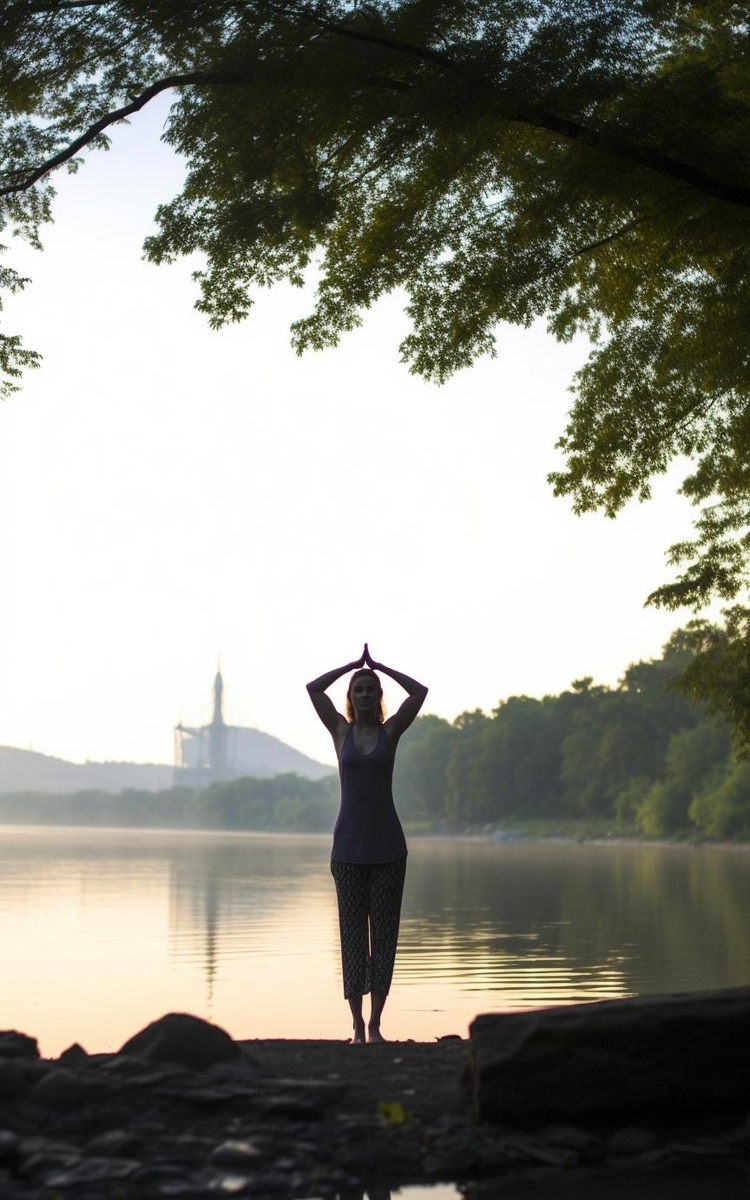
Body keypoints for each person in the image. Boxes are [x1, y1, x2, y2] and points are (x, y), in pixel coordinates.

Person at [306, 644, 428, 1043]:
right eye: (358, 689)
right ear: (350, 696)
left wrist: (380, 668)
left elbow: (419, 693)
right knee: (353, 937)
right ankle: (356, 1025)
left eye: (369, 690)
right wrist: (349, 666)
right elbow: (313, 689)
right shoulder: (339, 731)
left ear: (378, 697)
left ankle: (376, 1025)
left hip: (390, 849)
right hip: (347, 852)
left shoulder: (390, 732)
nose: (363, 694)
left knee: (385, 936)